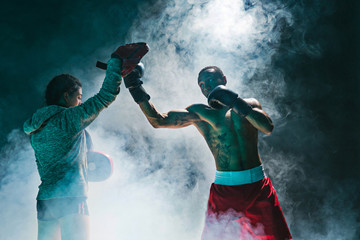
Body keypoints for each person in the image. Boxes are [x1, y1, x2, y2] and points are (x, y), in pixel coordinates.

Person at [123, 64, 292, 240]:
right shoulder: (201, 113)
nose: (207, 86)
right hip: (225, 191)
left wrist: (236, 102)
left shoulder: (249, 104)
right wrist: (135, 86)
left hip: (257, 186)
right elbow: (158, 120)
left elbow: (268, 127)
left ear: (224, 79)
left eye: (211, 80)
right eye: (202, 84)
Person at [23, 43, 147, 240]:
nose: (80, 102)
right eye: (78, 97)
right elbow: (106, 95)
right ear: (66, 96)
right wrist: (115, 63)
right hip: (71, 199)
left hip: (45, 201)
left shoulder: (35, 128)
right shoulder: (69, 119)